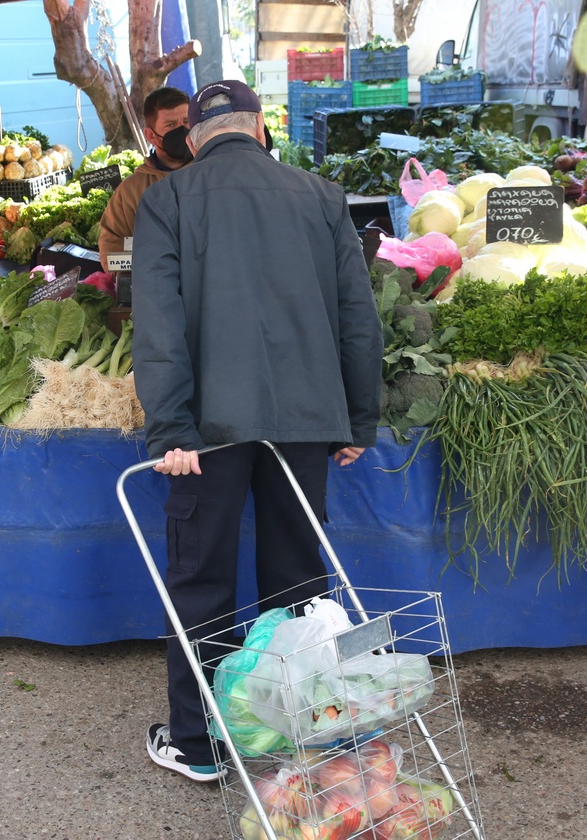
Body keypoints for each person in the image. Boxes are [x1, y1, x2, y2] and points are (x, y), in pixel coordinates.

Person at [130, 79, 383, 782]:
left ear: (195, 138)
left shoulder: (168, 199)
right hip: (306, 421)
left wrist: (169, 430)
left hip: (205, 430)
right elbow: (359, 318)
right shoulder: (323, 196)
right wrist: (356, 418)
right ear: (262, 128)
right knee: (300, 580)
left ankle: (199, 744)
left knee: (202, 579)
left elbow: (157, 329)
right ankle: (297, 731)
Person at [95, 86, 192, 267]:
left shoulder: (213, 174)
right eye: (171, 125)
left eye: (187, 121)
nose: (182, 130)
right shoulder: (131, 190)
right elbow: (112, 249)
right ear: (151, 136)